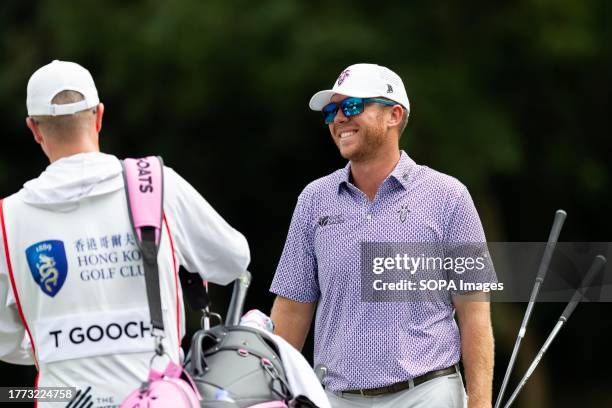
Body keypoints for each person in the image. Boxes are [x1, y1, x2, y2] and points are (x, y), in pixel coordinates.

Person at [0, 60, 250, 407]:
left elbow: (5, 339)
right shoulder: (154, 183)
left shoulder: (7, 217)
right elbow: (233, 260)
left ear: (34, 129)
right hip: (159, 397)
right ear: (99, 116)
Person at [270, 63, 494, 408]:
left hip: (427, 393)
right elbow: (292, 309)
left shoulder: (448, 196)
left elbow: (473, 311)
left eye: (353, 106)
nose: (339, 118)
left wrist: (479, 404)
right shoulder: (314, 199)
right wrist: (270, 395)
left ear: (394, 115)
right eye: (332, 110)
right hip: (335, 398)